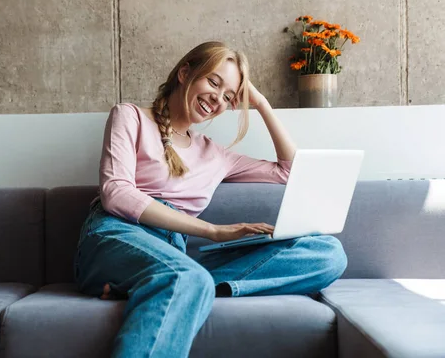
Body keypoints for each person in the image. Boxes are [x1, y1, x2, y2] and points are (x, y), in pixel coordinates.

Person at [73, 41, 347, 358]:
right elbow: (116, 194)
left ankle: (163, 288)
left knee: (328, 253)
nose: (217, 98)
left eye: (228, 96)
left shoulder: (215, 154)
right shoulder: (130, 116)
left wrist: (260, 103)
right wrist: (212, 231)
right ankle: (178, 284)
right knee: (187, 276)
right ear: (185, 72)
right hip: (117, 235)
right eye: (213, 82)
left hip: (175, 253)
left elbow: (289, 172)